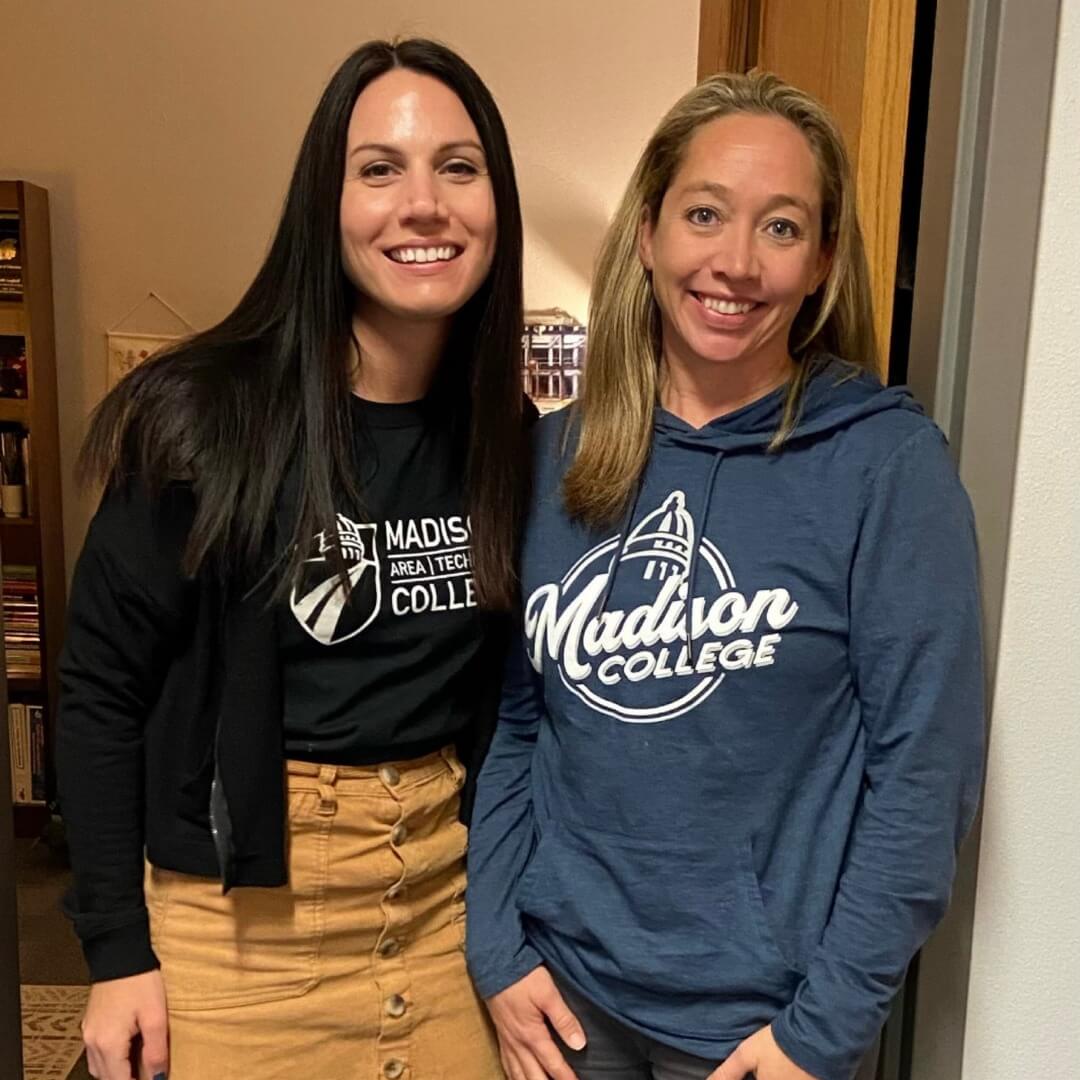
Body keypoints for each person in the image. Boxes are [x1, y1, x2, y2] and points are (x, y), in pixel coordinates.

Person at [465, 70, 985, 1080]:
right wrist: (494, 944)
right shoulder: (555, 457)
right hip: (563, 1002)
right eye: (706, 214)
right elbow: (519, 723)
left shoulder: (884, 467)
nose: (736, 264)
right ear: (650, 228)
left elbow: (925, 777)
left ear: (824, 257)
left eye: (782, 227)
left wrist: (820, 1033)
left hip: (762, 1031)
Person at [58, 37, 529, 1080]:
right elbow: (97, 692)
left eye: (460, 167)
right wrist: (116, 952)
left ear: (498, 203)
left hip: (443, 918)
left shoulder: (510, 441)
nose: (424, 203)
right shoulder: (201, 416)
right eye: (379, 169)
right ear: (327, 201)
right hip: (240, 933)